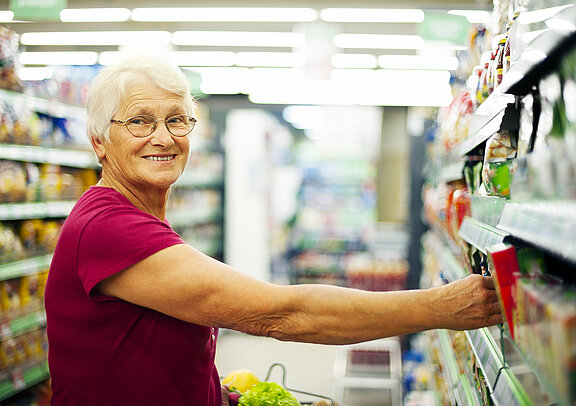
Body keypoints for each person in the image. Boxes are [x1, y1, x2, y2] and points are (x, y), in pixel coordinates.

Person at [44, 56, 502, 406]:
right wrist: (441, 306)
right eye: (139, 121)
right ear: (99, 140)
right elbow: (280, 314)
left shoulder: (136, 216)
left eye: (177, 119)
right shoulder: (107, 227)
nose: (163, 137)